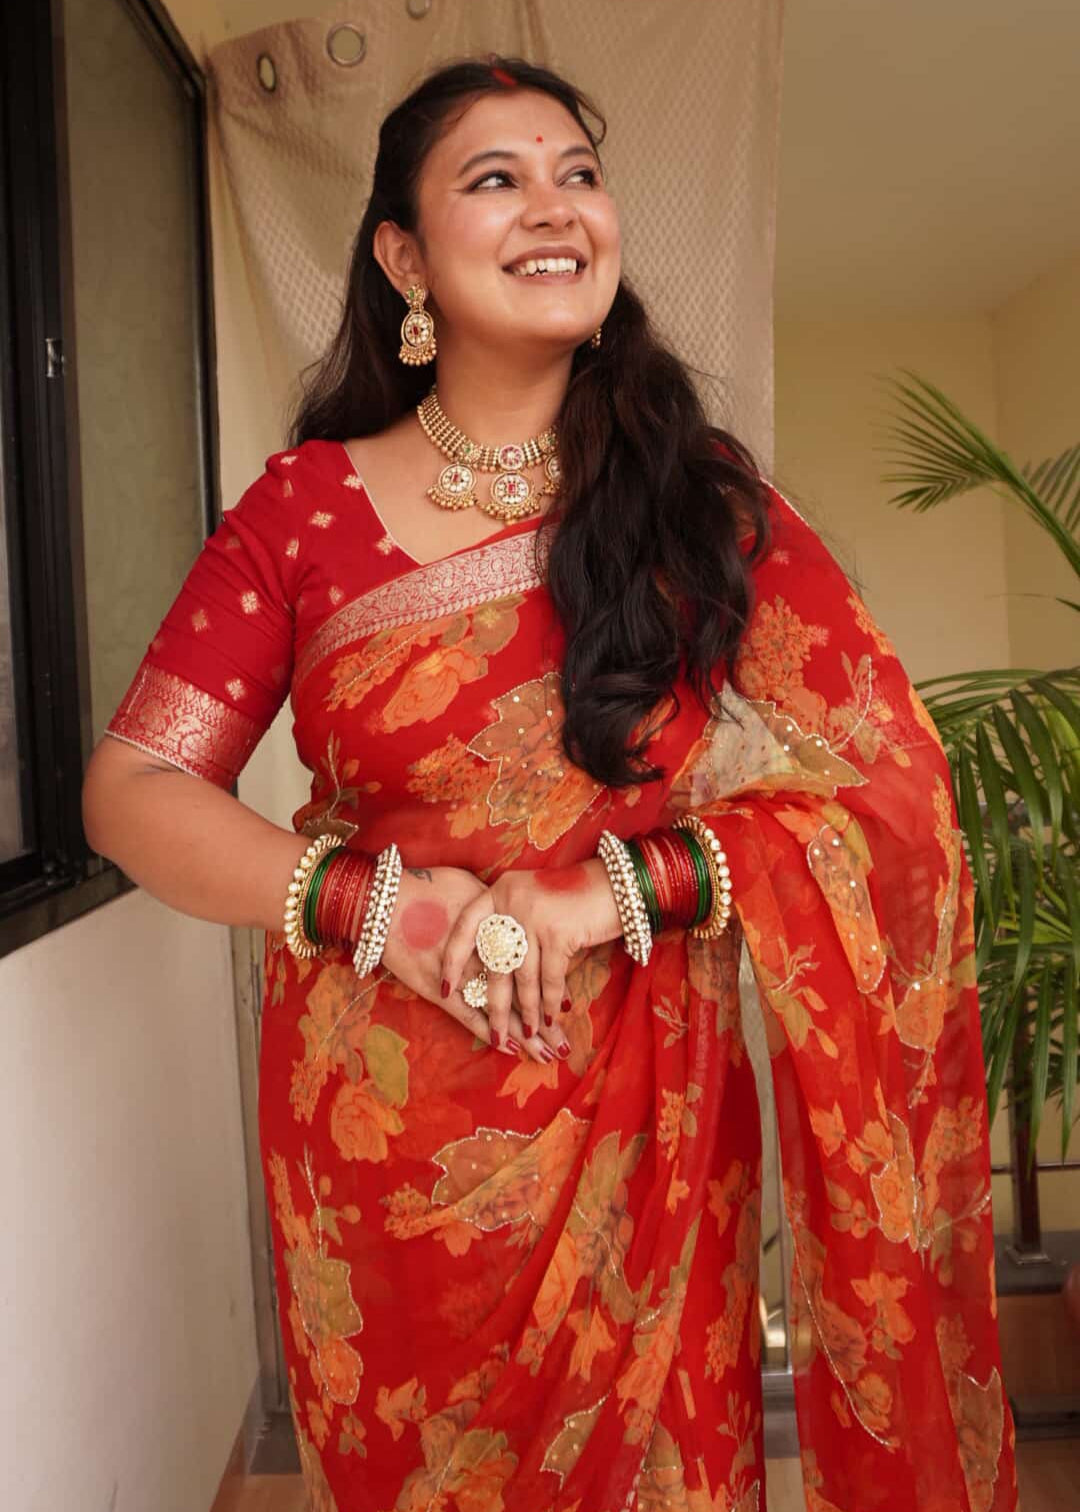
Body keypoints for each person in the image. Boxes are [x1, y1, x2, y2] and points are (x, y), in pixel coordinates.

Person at [82, 54, 1018, 1512]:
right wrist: (377, 909)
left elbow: (895, 797)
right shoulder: (303, 510)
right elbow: (135, 784)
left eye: (578, 172)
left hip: (644, 1137)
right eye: (495, 179)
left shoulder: (691, 501)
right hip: (383, 1149)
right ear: (403, 255)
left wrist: (608, 891)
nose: (556, 207)